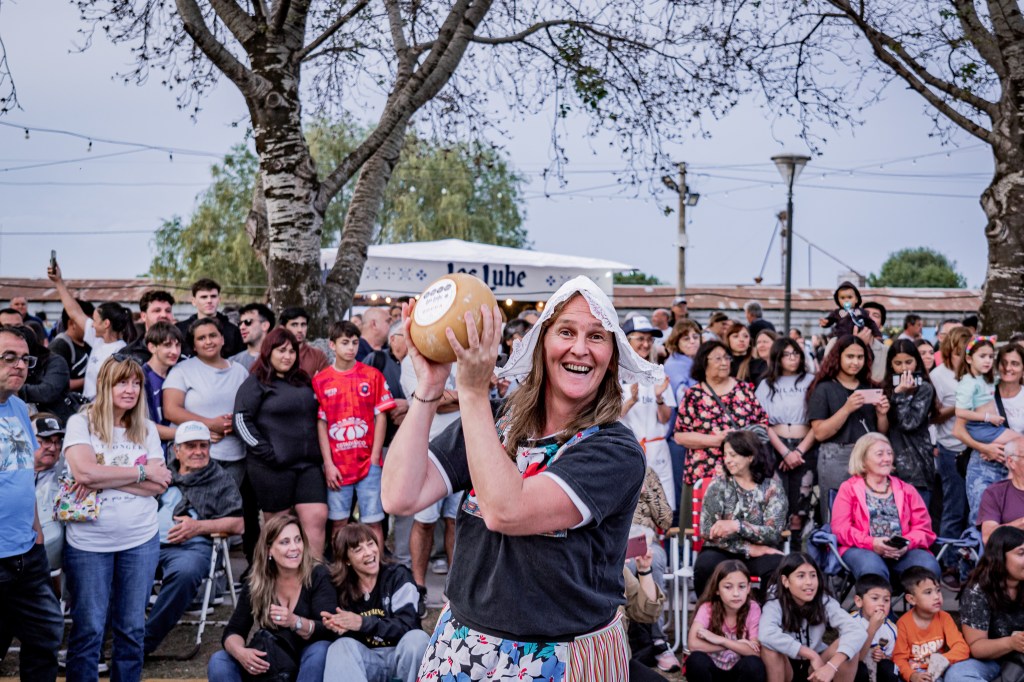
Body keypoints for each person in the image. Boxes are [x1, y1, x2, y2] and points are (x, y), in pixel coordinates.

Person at [383, 276, 658, 680]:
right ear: (542, 344)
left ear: (612, 359)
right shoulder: (498, 420)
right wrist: (430, 384)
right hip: (464, 644)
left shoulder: (614, 450)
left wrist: (472, 394)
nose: (580, 348)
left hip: (560, 658)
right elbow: (399, 496)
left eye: (596, 337)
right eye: (566, 331)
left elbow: (506, 511)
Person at [62, 354, 172, 681]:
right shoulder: (81, 423)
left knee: (131, 629)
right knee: (89, 630)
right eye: (122, 382)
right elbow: (83, 471)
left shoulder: (146, 428)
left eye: (137, 382)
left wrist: (101, 478)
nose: (131, 389)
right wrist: (140, 472)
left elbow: (159, 484)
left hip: (140, 541)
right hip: (89, 544)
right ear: (104, 385)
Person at [144, 421, 244, 655]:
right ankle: (107, 640)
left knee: (186, 573)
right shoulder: (161, 474)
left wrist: (198, 527)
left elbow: (238, 523)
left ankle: (142, 643)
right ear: (176, 450)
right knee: (112, 565)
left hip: (190, 548)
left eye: (203, 446)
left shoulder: (220, 479)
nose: (198, 451)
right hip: (147, 543)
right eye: (190, 446)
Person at [0, 326, 64, 681]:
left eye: (24, 358)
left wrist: (37, 530)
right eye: (8, 357)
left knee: (45, 638)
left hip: (27, 552)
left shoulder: (20, 409)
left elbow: (24, 476)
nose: (19, 365)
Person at [233, 327, 327, 558]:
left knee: (316, 517)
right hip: (271, 468)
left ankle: (313, 580)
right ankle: (275, 582)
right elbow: (241, 420)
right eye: (281, 350)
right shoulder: (256, 383)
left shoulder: (303, 380)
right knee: (279, 527)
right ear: (268, 352)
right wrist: (268, 452)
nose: (287, 356)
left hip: (308, 465)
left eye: (292, 351)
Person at [207, 515, 334, 682]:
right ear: (269, 550)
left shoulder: (318, 574)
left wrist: (294, 621)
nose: (294, 548)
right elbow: (234, 630)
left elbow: (328, 628)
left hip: (305, 663)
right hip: (271, 663)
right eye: (285, 542)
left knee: (320, 650)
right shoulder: (257, 581)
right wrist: (242, 653)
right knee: (219, 660)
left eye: (298, 540)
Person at [314, 321, 395, 551]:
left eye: (355, 342)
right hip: (338, 466)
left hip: (368, 464)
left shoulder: (372, 375)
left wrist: (374, 458)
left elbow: (381, 417)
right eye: (345, 342)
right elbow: (321, 424)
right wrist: (328, 464)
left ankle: (376, 574)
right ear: (332, 345)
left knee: (373, 522)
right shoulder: (321, 381)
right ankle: (342, 572)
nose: (351, 348)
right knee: (339, 522)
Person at [320, 523, 429, 682]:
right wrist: (340, 628)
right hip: (367, 660)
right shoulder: (341, 586)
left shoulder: (398, 576)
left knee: (417, 639)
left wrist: (363, 623)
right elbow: (348, 638)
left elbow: (409, 624)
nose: (369, 552)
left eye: (370, 544)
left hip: (401, 656)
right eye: (358, 550)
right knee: (339, 647)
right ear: (346, 559)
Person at [830, 432, 940, 584]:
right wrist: (872, 543)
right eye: (880, 454)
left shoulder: (907, 489)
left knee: (928, 567)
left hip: (903, 552)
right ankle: (882, 609)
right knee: (872, 568)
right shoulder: (848, 489)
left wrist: (906, 543)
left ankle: (922, 609)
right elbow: (840, 529)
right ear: (863, 459)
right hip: (862, 549)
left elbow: (924, 530)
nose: (887, 459)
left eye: (889, 453)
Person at [807, 334, 890, 520]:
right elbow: (819, 433)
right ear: (838, 357)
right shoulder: (824, 388)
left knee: (868, 513)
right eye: (850, 357)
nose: (856, 362)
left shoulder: (870, 386)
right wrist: (846, 409)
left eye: (860, 357)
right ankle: (834, 548)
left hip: (868, 457)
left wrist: (882, 414)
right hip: (835, 456)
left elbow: (881, 432)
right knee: (836, 513)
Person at [695, 430, 787, 596]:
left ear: (750, 456)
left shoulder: (772, 488)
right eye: (725, 455)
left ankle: (768, 617)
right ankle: (709, 618)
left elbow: (773, 533)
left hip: (762, 551)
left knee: (778, 566)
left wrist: (737, 526)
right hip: (722, 550)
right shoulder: (718, 486)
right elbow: (707, 531)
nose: (727, 460)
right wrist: (747, 548)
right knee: (705, 565)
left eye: (733, 455)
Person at [163, 318, 250, 481]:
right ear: (194, 345)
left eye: (213, 335)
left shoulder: (240, 372)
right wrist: (208, 425)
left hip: (234, 456)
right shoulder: (182, 370)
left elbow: (249, 409)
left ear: (222, 339)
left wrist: (231, 426)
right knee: (194, 505)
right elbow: (170, 410)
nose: (208, 341)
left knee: (227, 505)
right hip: (194, 455)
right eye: (201, 338)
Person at [760, 553, 867, 682]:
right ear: (786, 581)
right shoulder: (775, 602)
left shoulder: (824, 600)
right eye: (801, 576)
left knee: (848, 647)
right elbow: (766, 634)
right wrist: (810, 654)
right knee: (769, 648)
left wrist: (831, 666)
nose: (809, 582)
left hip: (816, 667)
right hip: (787, 666)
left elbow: (857, 630)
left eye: (813, 575)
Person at [675, 340, 769, 489]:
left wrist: (742, 440)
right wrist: (716, 440)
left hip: (743, 474)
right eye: (718, 358)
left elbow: (762, 423)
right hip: (705, 474)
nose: (725, 363)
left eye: (727, 358)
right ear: (703, 362)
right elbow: (680, 436)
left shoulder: (743, 389)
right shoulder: (693, 395)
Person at [957, 342, 1024, 525]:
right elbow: (958, 430)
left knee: (1016, 523)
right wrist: (984, 448)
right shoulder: (985, 390)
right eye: (1004, 362)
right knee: (982, 521)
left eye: (1015, 363)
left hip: (1018, 469)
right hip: (984, 466)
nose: (1008, 368)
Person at [48, 261, 136, 400]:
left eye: (95, 320)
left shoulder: (121, 352)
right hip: (87, 406)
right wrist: (58, 282)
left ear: (106, 323)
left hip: (103, 410)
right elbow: (75, 312)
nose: (92, 325)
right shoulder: (97, 339)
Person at [756, 337, 817, 531]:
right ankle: (779, 553)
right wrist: (784, 452)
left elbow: (819, 420)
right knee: (777, 503)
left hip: (805, 445)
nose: (792, 358)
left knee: (801, 505)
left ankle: (798, 552)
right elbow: (762, 422)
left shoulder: (811, 381)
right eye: (786, 354)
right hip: (776, 445)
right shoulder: (766, 384)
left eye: (796, 353)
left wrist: (797, 452)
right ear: (777, 357)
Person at [930, 326, 971, 585]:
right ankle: (949, 564)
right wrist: (959, 406)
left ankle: (969, 562)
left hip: (975, 449)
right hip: (950, 448)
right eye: (960, 353)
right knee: (953, 509)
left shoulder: (977, 375)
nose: (964, 358)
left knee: (972, 510)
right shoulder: (938, 376)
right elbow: (933, 416)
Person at [621, 316, 676, 509]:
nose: (646, 344)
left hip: (657, 452)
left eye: (650, 340)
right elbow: (606, 418)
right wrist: (631, 401)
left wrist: (660, 397)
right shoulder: (613, 375)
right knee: (631, 510)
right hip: (627, 453)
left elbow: (665, 418)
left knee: (662, 510)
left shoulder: (657, 374)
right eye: (641, 339)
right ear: (626, 341)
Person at [958, 525, 1024, 682]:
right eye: (1021, 553)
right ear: (1000, 556)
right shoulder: (977, 590)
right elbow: (976, 647)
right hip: (991, 660)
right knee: (958, 675)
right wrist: (1011, 643)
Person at [686, 560, 766, 682]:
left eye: (742, 586)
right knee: (696, 660)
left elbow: (755, 652)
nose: (736, 593)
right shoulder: (707, 608)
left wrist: (721, 640)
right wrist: (737, 644)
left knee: (754, 664)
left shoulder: (753, 608)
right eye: (728, 587)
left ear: (749, 588)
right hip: (712, 671)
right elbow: (693, 644)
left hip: (738, 672)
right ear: (717, 589)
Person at [892, 567, 970, 681]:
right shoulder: (903, 623)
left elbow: (961, 647)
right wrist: (911, 676)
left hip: (939, 670)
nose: (936, 596)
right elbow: (899, 658)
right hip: (916, 673)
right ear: (911, 599)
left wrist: (943, 660)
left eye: (938, 590)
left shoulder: (944, 617)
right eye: (928, 592)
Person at [882, 339, 937, 503]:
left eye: (909, 362)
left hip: (917, 464)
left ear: (917, 362)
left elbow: (909, 423)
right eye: (898, 363)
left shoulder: (924, 388)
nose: (904, 368)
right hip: (890, 464)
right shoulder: (885, 387)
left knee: (918, 521)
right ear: (891, 364)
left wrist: (900, 395)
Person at [956, 336, 1022, 450]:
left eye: (991, 356)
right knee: (1020, 441)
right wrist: (984, 448)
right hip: (982, 431)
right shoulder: (970, 383)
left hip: (992, 430)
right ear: (969, 359)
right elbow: (959, 419)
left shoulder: (985, 381)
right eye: (982, 356)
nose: (1008, 368)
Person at [31, 413, 66, 578]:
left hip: (50, 569)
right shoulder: (9, 473)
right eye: (45, 441)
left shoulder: (67, 476)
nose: (53, 448)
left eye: (57, 441)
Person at [175, 278, 244, 358]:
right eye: (204, 297)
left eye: (213, 296)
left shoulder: (233, 331)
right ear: (193, 301)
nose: (209, 300)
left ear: (219, 300)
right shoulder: (180, 329)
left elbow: (240, 359)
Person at [15, 325, 70, 420]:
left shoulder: (55, 362)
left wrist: (14, 389)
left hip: (53, 419)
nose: (20, 364)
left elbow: (47, 392)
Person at [850, 574, 898, 682]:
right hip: (856, 669)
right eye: (875, 598)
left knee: (889, 668)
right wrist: (872, 628)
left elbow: (894, 658)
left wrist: (884, 656)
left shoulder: (891, 628)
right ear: (859, 601)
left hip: (878, 672)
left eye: (886, 600)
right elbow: (854, 659)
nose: (881, 604)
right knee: (860, 669)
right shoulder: (850, 622)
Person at [142, 321, 183, 446]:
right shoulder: (141, 377)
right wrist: (189, 433)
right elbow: (143, 425)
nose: (175, 351)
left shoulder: (179, 373)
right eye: (167, 345)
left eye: (177, 345)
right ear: (152, 347)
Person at [977, 438, 1024, 544]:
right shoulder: (995, 493)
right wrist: (1021, 523)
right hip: (1012, 557)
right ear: (1011, 462)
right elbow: (988, 537)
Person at [49, 298, 94, 395]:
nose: (92, 327)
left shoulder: (89, 343)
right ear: (71, 323)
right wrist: (91, 380)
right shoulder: (59, 346)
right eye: (86, 323)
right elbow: (56, 383)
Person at [123, 290, 176, 364]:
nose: (164, 315)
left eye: (168, 311)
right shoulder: (128, 355)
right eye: (157, 311)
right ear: (143, 316)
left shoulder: (185, 350)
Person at [278, 307, 329, 378]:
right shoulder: (275, 354)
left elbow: (327, 383)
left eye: (303, 325)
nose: (300, 330)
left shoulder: (317, 356)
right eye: (294, 325)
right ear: (282, 328)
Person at [230, 303, 274, 371]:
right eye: (240, 323)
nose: (241, 327)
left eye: (248, 322)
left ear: (265, 326)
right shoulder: (232, 363)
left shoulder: (279, 360)